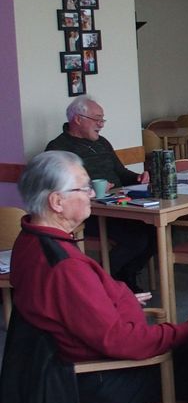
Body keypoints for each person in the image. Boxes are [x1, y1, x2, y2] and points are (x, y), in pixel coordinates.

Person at [9, 151, 188, 403]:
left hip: (66, 363)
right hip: (102, 375)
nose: (92, 194)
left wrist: (118, 298)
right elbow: (123, 342)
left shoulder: (29, 240)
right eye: (84, 188)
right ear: (56, 202)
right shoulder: (64, 268)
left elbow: (82, 305)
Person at [45, 95, 155, 291]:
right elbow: (57, 190)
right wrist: (89, 191)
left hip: (118, 206)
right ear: (78, 119)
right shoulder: (57, 149)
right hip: (88, 213)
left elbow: (121, 173)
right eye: (97, 119)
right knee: (137, 238)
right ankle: (99, 281)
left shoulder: (102, 142)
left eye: (102, 119)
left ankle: (125, 275)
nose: (101, 124)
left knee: (155, 231)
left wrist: (140, 177)